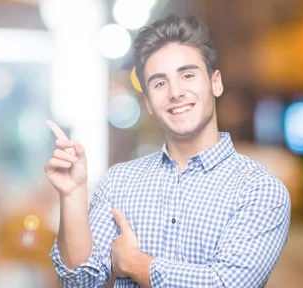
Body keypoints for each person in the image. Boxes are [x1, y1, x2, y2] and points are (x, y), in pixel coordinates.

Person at [44, 14, 290, 287]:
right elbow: (80, 281)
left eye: (187, 75)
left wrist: (137, 264)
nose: (175, 92)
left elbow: (228, 284)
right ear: (148, 102)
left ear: (215, 83)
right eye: (160, 83)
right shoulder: (119, 183)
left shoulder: (259, 189)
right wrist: (72, 194)